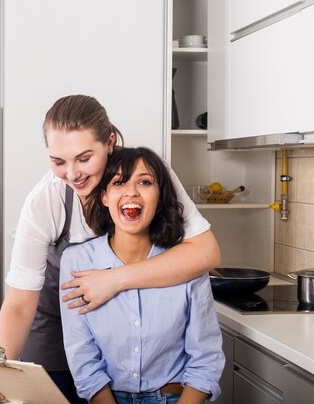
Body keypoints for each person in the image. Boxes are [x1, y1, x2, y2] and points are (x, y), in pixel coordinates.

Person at [0, 95, 221, 404]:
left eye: (84, 158)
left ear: (110, 142)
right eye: (58, 161)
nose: (72, 173)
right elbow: (20, 304)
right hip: (57, 327)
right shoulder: (45, 201)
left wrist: (112, 279)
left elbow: (205, 253)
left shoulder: (150, 176)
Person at [59, 146, 225, 404]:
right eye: (119, 182)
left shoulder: (187, 263)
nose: (131, 192)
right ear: (104, 196)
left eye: (145, 182)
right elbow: (82, 357)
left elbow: (206, 360)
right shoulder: (77, 260)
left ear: (160, 197)